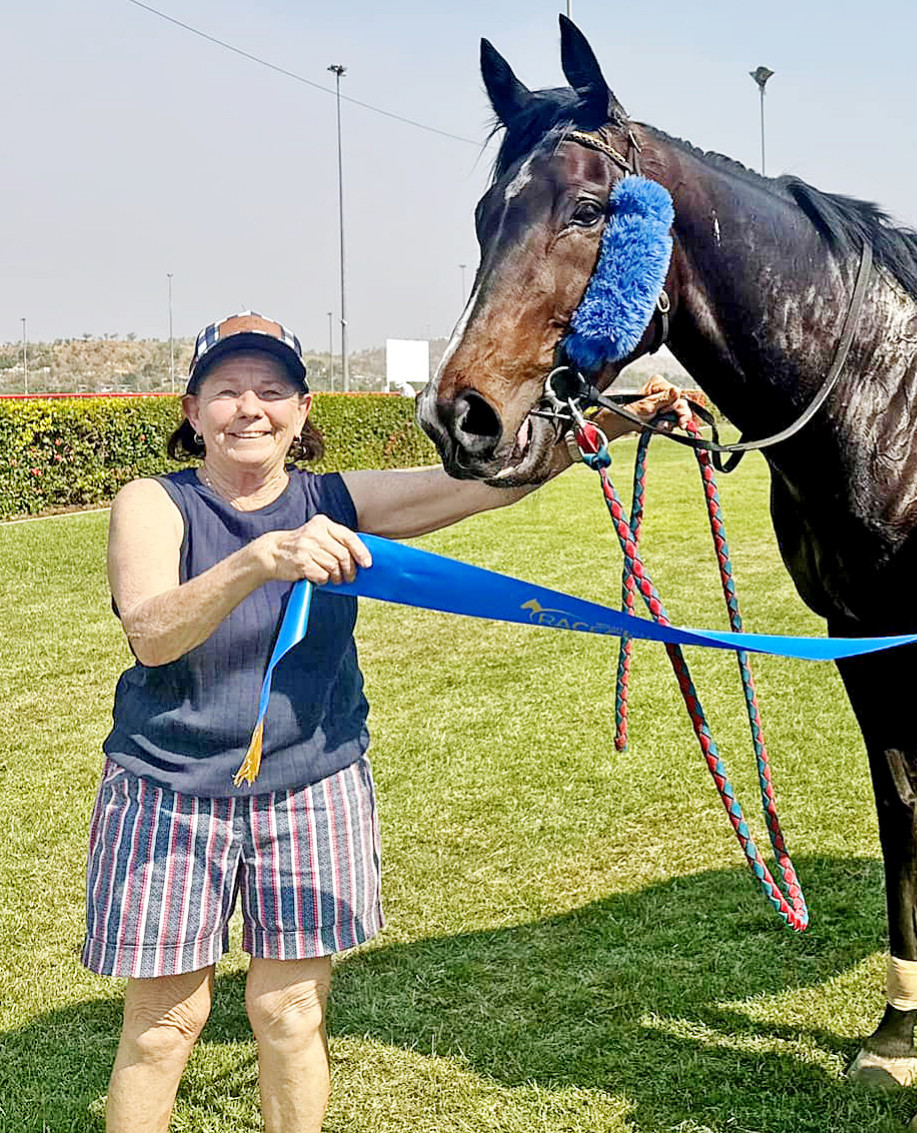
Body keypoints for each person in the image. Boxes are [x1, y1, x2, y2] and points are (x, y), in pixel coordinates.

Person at [86, 311, 690, 1133]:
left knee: (291, 1009)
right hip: (168, 790)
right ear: (192, 413)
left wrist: (614, 416)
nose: (249, 407)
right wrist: (263, 558)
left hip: (310, 784)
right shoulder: (154, 503)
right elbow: (153, 632)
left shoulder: (333, 498)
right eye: (226, 390)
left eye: (271, 390)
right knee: (165, 1025)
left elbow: (479, 484)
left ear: (301, 412)